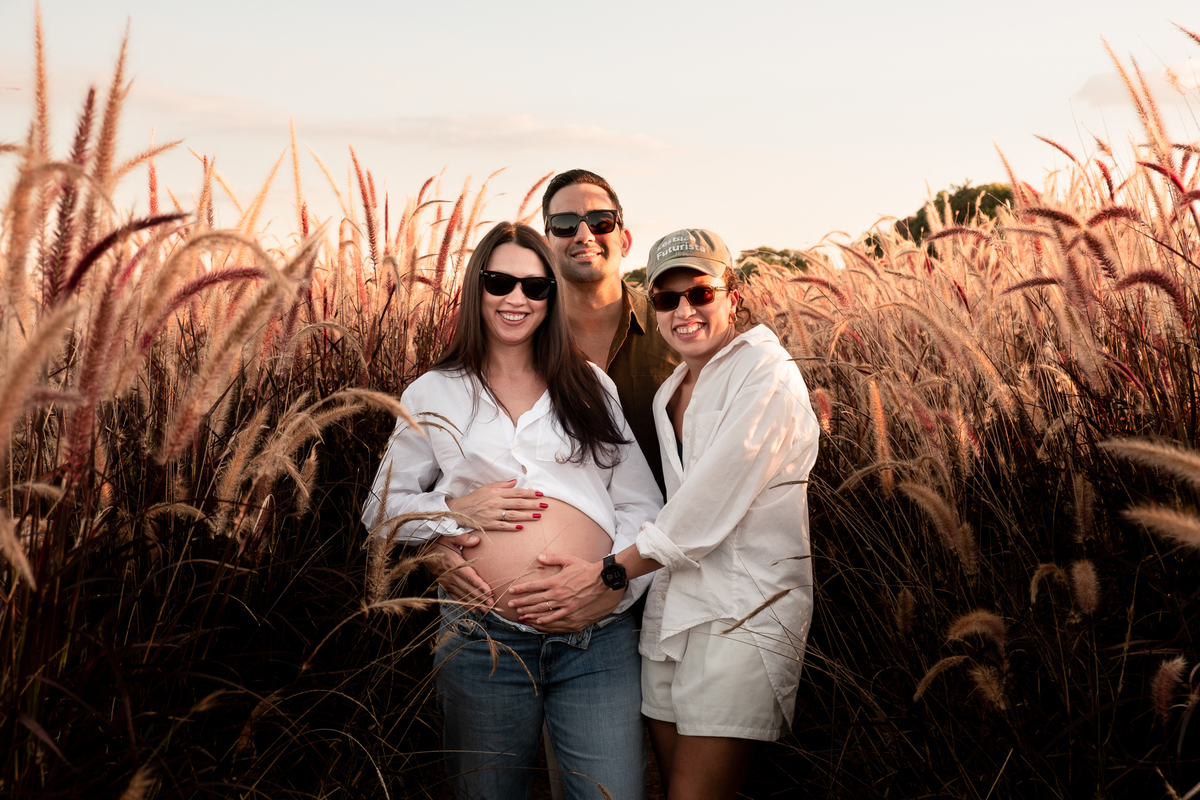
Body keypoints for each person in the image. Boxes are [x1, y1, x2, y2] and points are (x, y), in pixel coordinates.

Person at [507, 229, 820, 800]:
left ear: (733, 296)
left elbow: (705, 507)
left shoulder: (765, 375)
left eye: (700, 293)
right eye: (666, 298)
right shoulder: (669, 388)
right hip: (672, 615)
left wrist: (609, 572)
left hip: (743, 612)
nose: (683, 310)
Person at [361, 222, 662, 800]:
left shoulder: (588, 385)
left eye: (535, 286)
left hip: (595, 638)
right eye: (500, 282)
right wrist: (451, 514)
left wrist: (609, 586)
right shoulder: (433, 391)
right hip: (482, 642)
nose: (516, 298)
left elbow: (641, 504)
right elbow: (380, 508)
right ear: (477, 287)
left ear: (551, 297)